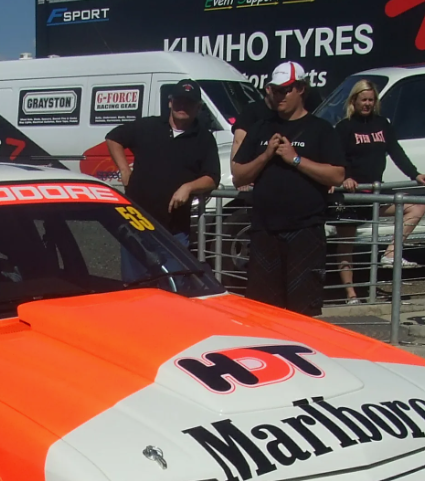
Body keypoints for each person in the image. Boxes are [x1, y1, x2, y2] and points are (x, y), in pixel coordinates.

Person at [232, 62, 345, 317]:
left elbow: (337, 175)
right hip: (264, 231)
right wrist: (265, 156)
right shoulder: (261, 127)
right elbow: (238, 175)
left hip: (304, 230)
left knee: (302, 312)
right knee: (262, 311)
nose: (279, 96)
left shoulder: (321, 129)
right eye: (275, 90)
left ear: (301, 89)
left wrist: (295, 159)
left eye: (286, 90)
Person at [334, 79, 425, 299]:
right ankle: (351, 294)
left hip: (376, 195)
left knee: (417, 206)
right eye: (363, 100)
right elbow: (337, 157)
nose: (367, 104)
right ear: (354, 101)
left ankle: (390, 253)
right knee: (346, 247)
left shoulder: (382, 124)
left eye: (371, 100)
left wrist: (415, 174)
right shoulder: (344, 127)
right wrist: (346, 177)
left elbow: (396, 151)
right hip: (351, 197)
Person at [104, 78, 220, 249]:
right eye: (179, 100)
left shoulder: (205, 139)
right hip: (136, 225)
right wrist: (124, 169)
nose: (183, 106)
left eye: (189, 102)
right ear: (170, 102)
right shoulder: (148, 126)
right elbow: (113, 138)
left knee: (174, 268)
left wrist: (188, 187)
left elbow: (212, 177)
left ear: (198, 107)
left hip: (175, 232)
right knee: (134, 268)